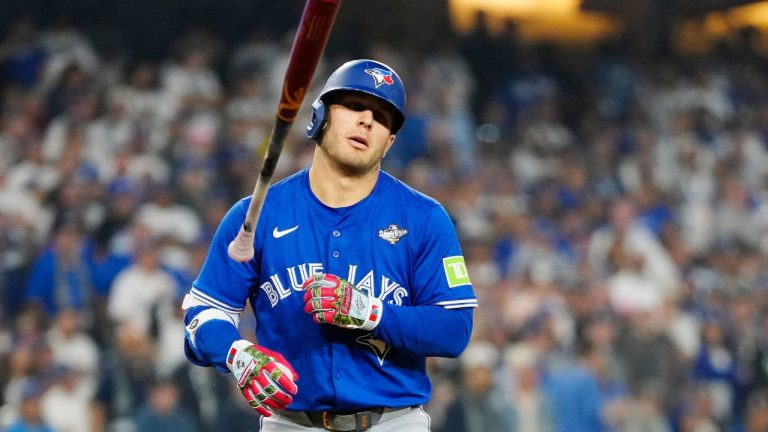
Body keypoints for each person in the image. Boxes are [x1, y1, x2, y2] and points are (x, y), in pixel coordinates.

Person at [180, 59, 477, 431]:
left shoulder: (424, 218)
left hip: (393, 423)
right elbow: (201, 313)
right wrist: (238, 354)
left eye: (382, 118)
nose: (367, 120)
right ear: (319, 116)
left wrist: (370, 312)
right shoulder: (257, 214)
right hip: (290, 424)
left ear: (390, 142)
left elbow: (454, 328)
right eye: (354, 106)